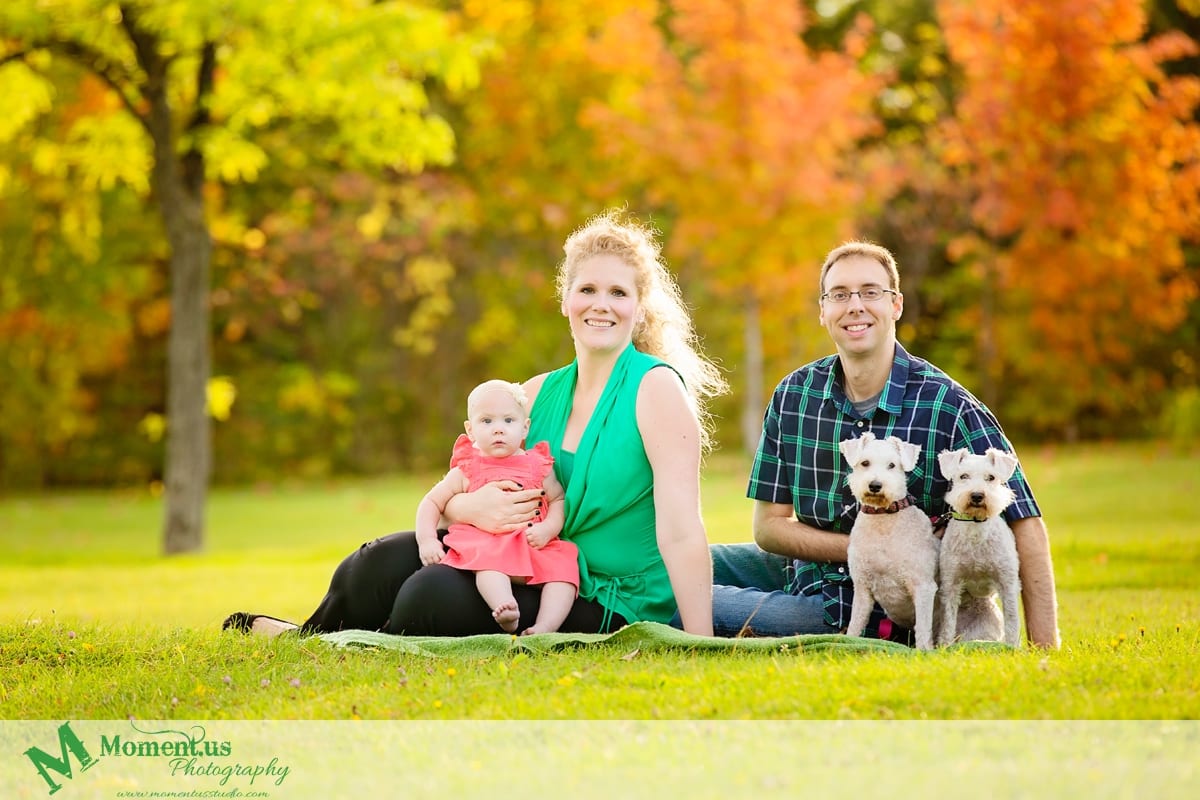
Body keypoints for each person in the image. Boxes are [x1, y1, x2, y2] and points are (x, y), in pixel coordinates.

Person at [223, 210, 727, 638]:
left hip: (606, 596)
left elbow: (682, 532)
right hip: (517, 559)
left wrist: (701, 640)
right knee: (376, 562)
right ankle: (311, 639)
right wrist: (469, 506)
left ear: (639, 310)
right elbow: (459, 490)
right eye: (588, 288)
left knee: (432, 593)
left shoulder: (657, 389)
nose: (601, 304)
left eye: (618, 292)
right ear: (565, 298)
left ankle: (364, 645)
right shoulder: (531, 394)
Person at [709, 241, 1061, 648]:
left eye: (871, 292)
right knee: (676, 567)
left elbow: (1026, 525)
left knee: (686, 602)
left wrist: (1044, 648)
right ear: (823, 311)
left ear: (896, 305)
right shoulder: (794, 394)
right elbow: (768, 527)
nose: (855, 305)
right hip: (801, 567)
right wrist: (865, 549)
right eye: (839, 295)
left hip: (857, 607)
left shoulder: (950, 406)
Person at [415, 379, 576, 635]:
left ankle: (546, 627)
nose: (498, 430)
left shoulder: (538, 465)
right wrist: (427, 540)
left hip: (535, 542)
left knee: (565, 570)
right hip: (491, 545)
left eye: (508, 421)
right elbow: (431, 501)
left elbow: (558, 500)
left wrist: (548, 528)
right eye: (487, 421)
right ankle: (504, 607)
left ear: (524, 429)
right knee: (489, 568)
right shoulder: (468, 467)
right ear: (470, 430)